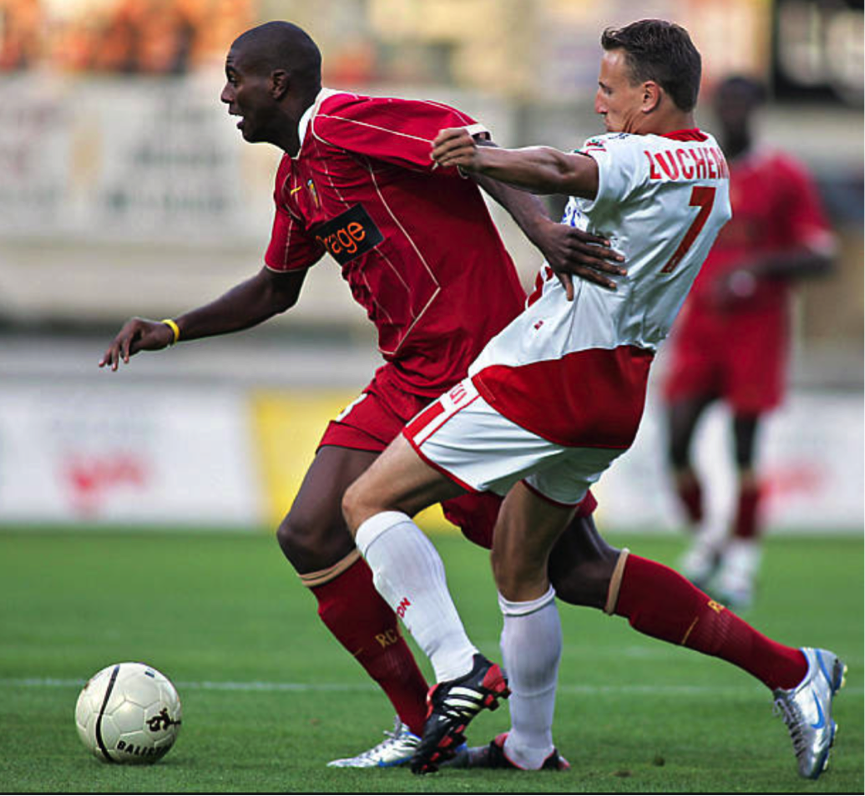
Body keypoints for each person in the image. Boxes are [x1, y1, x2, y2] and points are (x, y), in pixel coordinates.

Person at [98, 19, 642, 770]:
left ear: (277, 84)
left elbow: (465, 142)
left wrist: (542, 232)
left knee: (576, 568)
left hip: (482, 371)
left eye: (235, 78)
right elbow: (274, 290)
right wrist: (171, 328)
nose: (226, 96)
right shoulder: (297, 180)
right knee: (310, 531)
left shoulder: (348, 121)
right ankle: (426, 716)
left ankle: (787, 669)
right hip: (407, 377)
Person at [342, 20, 846, 780]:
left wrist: (480, 157)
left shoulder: (639, 154)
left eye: (609, 89)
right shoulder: (707, 158)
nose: (599, 102)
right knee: (520, 562)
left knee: (366, 502)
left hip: (545, 374)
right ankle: (533, 746)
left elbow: (558, 166)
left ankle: (456, 672)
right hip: (614, 390)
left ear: (650, 95)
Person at [662, 75, 836, 609]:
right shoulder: (698, 170)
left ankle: (741, 560)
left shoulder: (783, 174)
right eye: (726, 102)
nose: (733, 111)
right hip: (701, 329)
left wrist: (758, 268)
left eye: (743, 102)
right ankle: (709, 538)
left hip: (756, 331)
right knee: (676, 443)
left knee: (744, 448)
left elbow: (821, 253)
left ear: (757, 109)